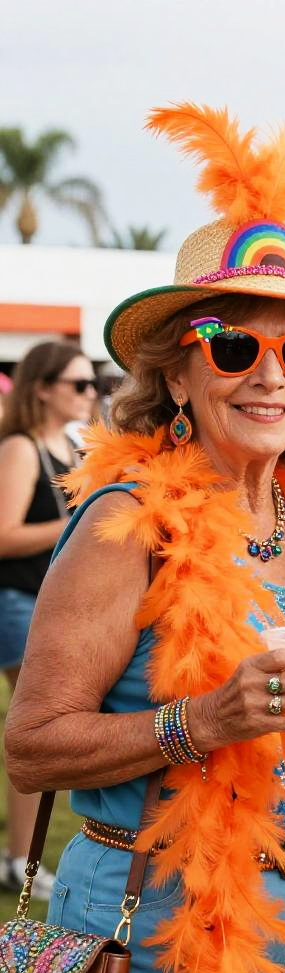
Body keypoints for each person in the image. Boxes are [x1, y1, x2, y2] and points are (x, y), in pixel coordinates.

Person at [3, 103, 285, 973]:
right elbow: (31, 744)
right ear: (177, 374)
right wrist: (201, 720)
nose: (271, 375)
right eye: (234, 345)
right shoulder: (125, 526)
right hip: (155, 938)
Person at [0, 340, 98, 897]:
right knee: (39, 733)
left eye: (92, 383)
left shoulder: (71, 447)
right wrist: (76, 524)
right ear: (41, 388)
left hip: (47, 605)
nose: (89, 394)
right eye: (78, 384)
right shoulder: (20, 448)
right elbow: (3, 534)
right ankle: (21, 860)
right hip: (18, 603)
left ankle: (20, 858)